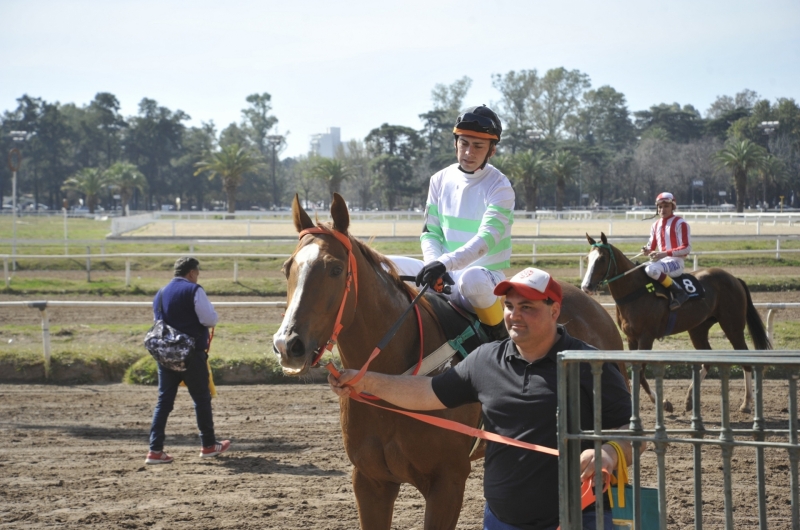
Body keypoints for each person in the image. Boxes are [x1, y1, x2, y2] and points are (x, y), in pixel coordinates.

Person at [329, 267, 634, 530]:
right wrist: (366, 381)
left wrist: (607, 452)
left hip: (580, 517)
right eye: (509, 306)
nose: (515, 316)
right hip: (501, 520)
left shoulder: (590, 363)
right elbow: (426, 392)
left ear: (555, 310)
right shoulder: (485, 360)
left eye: (527, 307)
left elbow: (632, 435)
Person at [390, 105, 515, 341]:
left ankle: (502, 342)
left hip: (484, 276)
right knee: (386, 267)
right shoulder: (439, 179)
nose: (469, 152)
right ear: (455, 143)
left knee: (473, 280)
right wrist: (433, 265)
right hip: (442, 272)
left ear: (492, 150)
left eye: (478, 146)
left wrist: (444, 264)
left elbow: (485, 241)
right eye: (464, 144)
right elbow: (430, 233)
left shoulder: (500, 186)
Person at [145, 257, 230, 464]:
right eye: (197, 273)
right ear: (192, 273)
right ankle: (208, 445)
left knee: (163, 402)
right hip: (191, 354)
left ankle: (155, 450)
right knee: (201, 399)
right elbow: (209, 320)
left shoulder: (161, 293)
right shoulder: (194, 290)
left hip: (165, 356)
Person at [641, 192, 692, 311]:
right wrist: (647, 250)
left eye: (666, 206)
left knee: (650, 269)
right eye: (660, 207)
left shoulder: (681, 223)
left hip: (676, 263)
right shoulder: (655, 225)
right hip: (662, 262)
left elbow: (686, 248)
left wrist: (664, 253)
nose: (662, 209)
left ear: (673, 207)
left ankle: (680, 293)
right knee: (640, 269)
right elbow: (651, 247)